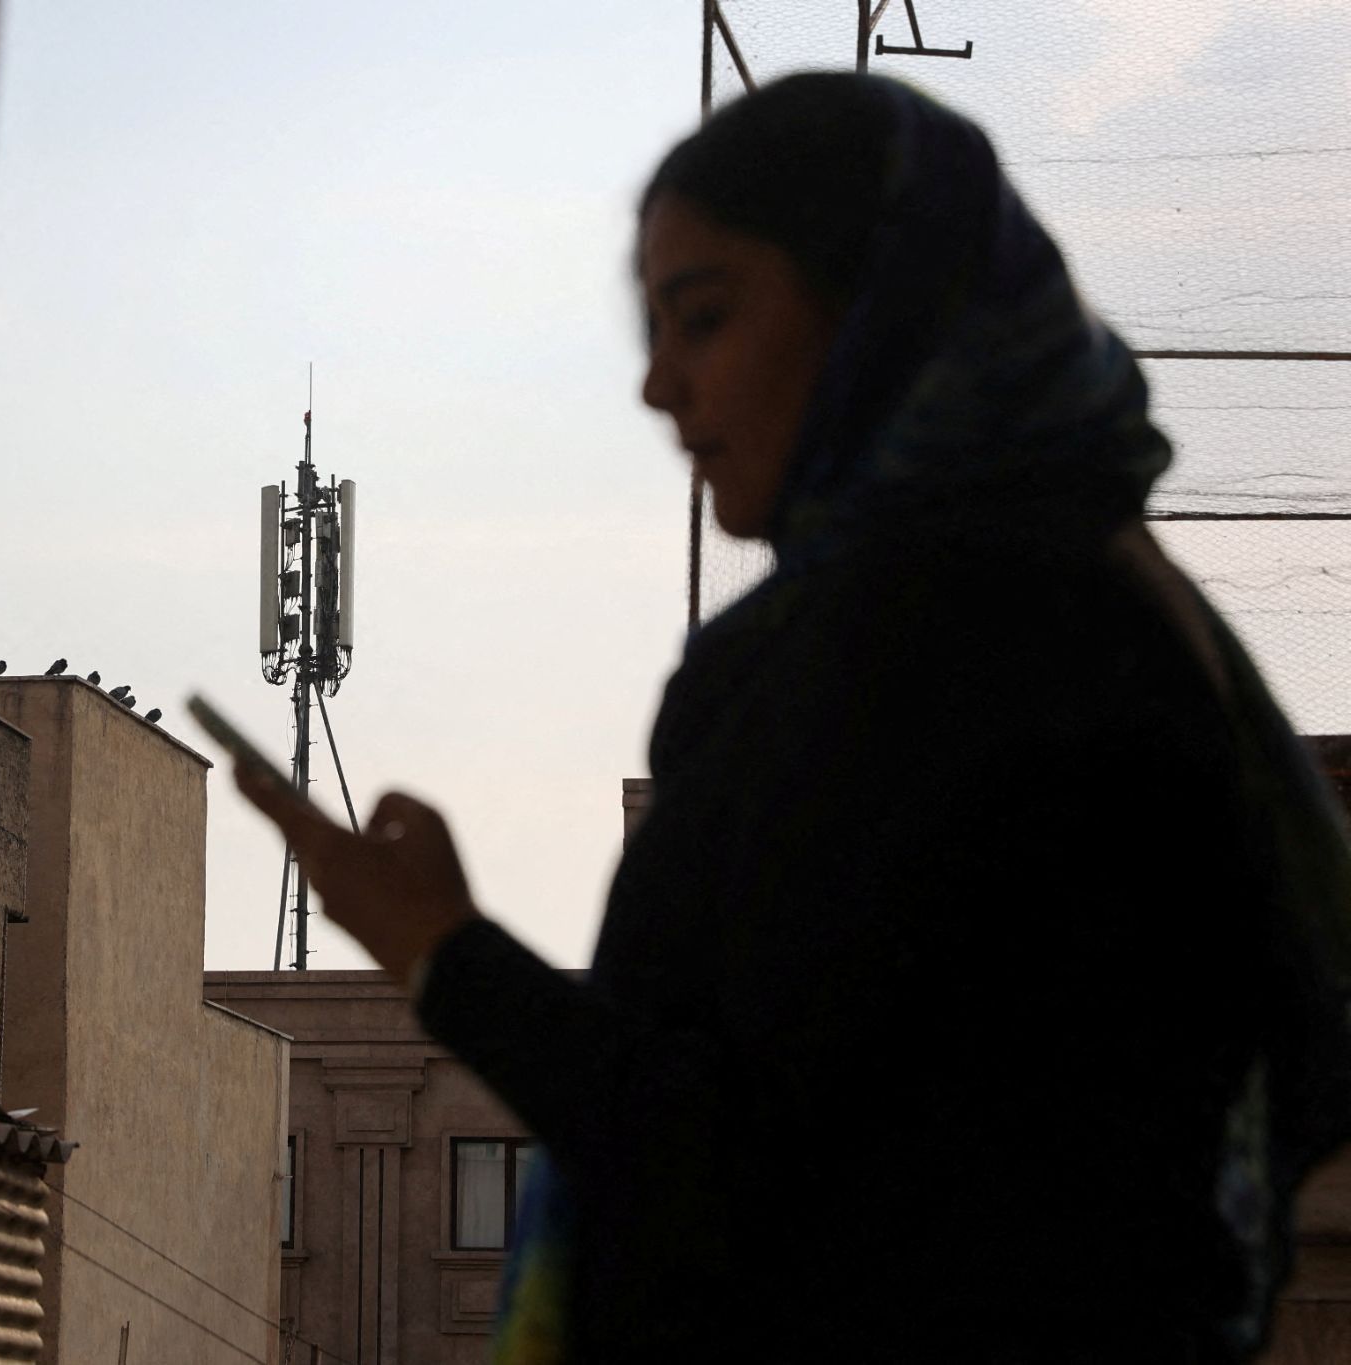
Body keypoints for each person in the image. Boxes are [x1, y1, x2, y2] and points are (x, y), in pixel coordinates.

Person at [234, 72, 1351, 1363]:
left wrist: (445, 956)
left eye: (702, 318)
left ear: (877, 305)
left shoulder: (905, 654)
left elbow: (747, 1171)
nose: (658, 386)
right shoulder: (1123, 623)